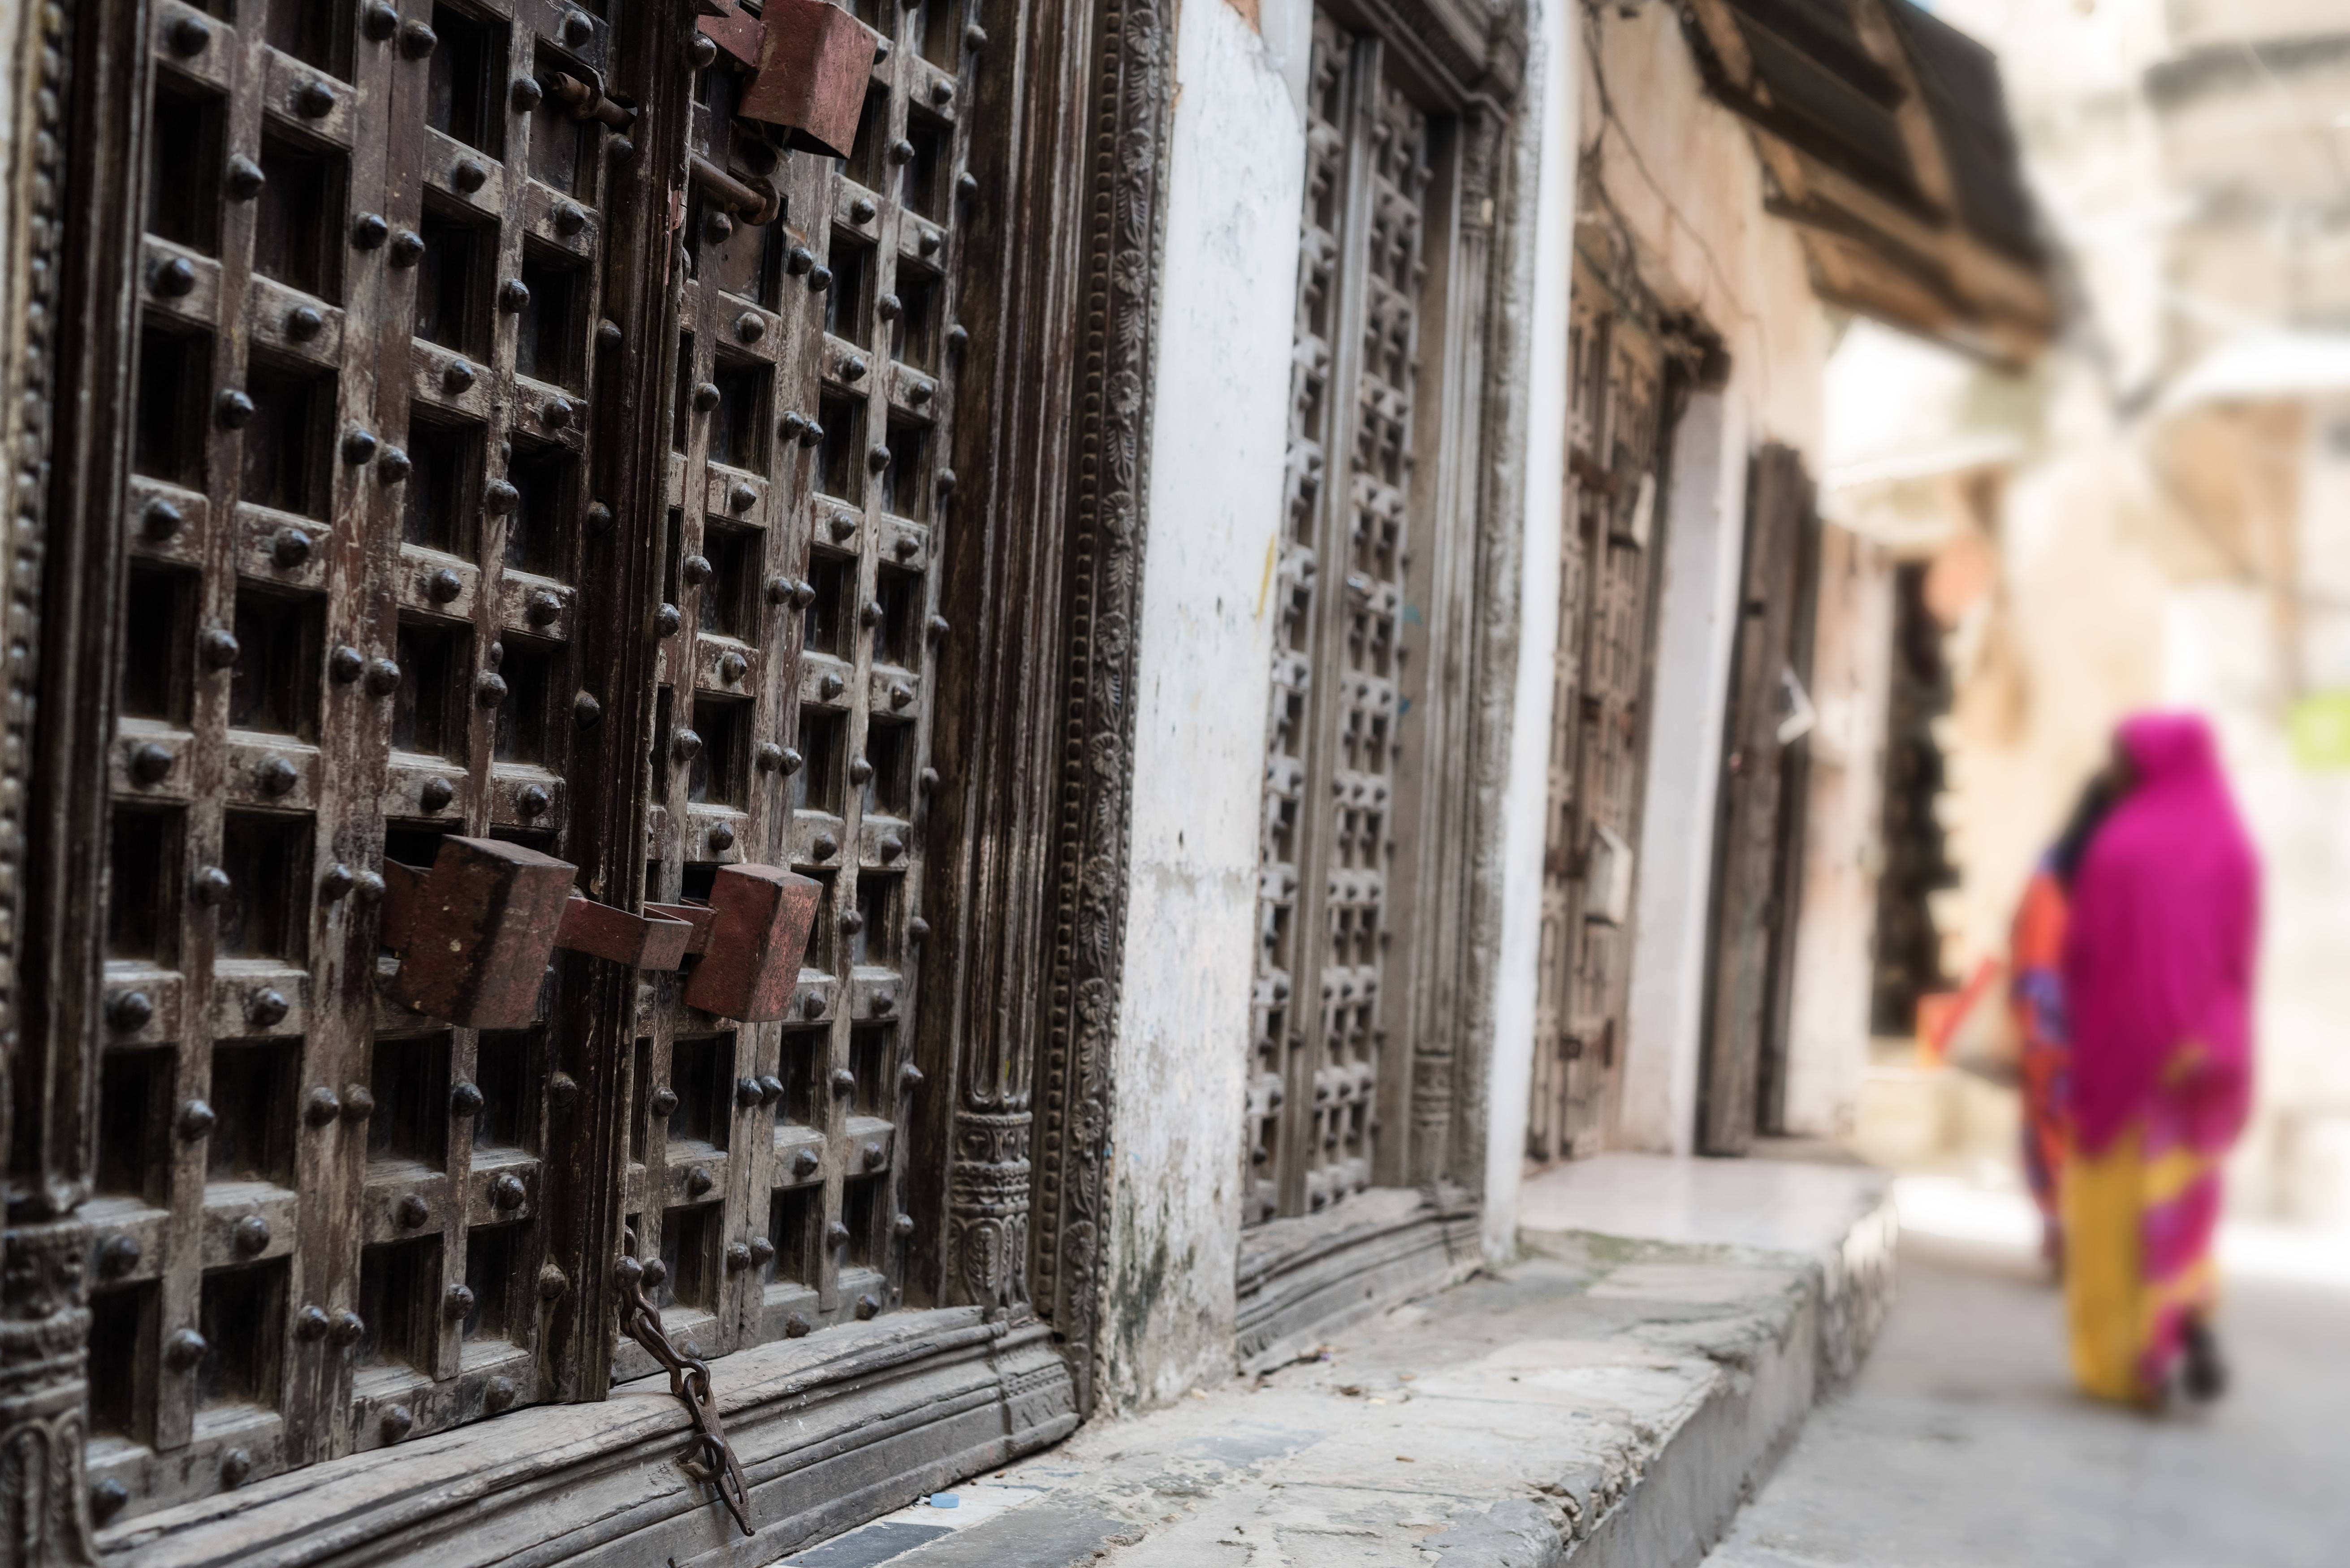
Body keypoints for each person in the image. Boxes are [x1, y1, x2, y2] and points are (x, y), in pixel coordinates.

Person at [2059, 713, 2259, 1410]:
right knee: (2184, 1196)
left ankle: (2122, 1363)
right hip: (2202, 1060)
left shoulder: (2118, 845)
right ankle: (2179, 1320)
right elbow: (2238, 960)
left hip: (2124, 1052)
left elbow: (2082, 955)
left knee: (2113, 1204)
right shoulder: (2233, 845)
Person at [2006, 773, 2120, 1271]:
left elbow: (2027, 934)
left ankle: (2059, 1226)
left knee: (2048, 1119)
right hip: (2098, 1019)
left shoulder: (2053, 865)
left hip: (2046, 1016)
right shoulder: (2124, 869)